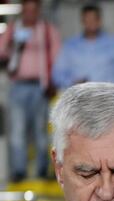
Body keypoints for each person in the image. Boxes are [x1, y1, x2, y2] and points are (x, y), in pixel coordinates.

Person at [0, 0, 60, 182]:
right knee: (17, 131)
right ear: (22, 11)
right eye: (26, 11)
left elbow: (57, 56)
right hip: (17, 86)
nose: (30, 14)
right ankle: (19, 171)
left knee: (41, 131)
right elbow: (1, 52)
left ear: (38, 11)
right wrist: (12, 42)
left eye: (33, 11)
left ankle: (42, 170)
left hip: (40, 87)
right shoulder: (13, 28)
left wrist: (53, 82)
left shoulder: (48, 30)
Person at [52, 4, 114, 91]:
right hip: (78, 98)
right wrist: (73, 82)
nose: (91, 23)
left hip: (107, 99)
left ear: (100, 21)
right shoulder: (70, 46)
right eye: (87, 20)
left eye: (93, 19)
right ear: (82, 21)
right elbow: (57, 75)